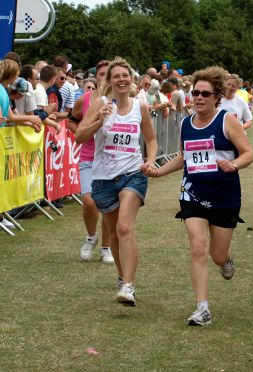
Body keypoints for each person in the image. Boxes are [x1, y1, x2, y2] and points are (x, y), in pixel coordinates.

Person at [149, 66, 253, 325]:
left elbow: (248, 153)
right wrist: (159, 172)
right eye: (195, 92)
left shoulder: (227, 120)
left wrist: (234, 165)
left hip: (224, 195)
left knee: (217, 255)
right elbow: (185, 157)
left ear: (217, 96)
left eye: (205, 94)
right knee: (198, 247)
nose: (199, 97)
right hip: (192, 193)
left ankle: (226, 259)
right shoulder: (186, 123)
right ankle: (202, 308)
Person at [75, 57, 158, 306]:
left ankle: (129, 286)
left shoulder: (139, 106)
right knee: (112, 233)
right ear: (109, 81)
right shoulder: (100, 104)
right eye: (116, 76)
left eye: (126, 75)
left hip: (132, 174)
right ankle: (122, 277)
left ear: (131, 79)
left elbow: (151, 140)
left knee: (124, 227)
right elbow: (79, 136)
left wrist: (151, 160)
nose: (122, 79)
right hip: (103, 178)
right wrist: (100, 119)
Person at [68, 60, 115, 263]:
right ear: (95, 77)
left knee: (107, 206)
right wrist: (82, 130)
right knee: (89, 201)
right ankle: (91, 237)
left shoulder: (121, 100)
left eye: (107, 74)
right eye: (100, 74)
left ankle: (106, 247)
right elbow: (72, 119)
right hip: (88, 157)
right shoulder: (86, 99)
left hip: (111, 160)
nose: (103, 77)